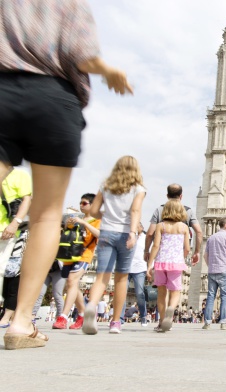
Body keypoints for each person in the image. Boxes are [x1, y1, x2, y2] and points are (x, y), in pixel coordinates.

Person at [0, 0, 132, 350]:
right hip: (52, 99)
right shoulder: (69, 3)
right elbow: (82, 55)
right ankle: (21, 322)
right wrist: (107, 70)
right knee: (46, 216)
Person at [83, 156, 145, 335]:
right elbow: (135, 211)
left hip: (106, 233)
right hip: (126, 234)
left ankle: (92, 306)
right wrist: (133, 233)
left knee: (102, 276)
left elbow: (93, 211)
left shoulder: (105, 186)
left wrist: (109, 218)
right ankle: (116, 322)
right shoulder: (139, 189)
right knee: (121, 278)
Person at [52, 193, 101, 330]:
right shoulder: (75, 219)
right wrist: (68, 226)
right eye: (80, 203)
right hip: (69, 255)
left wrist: (84, 223)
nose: (81, 205)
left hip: (84, 255)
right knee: (71, 285)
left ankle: (63, 317)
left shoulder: (98, 220)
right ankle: (82, 314)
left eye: (84, 203)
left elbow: (100, 235)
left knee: (72, 282)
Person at [146, 200, 190, 332]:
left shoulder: (160, 226)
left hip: (161, 262)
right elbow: (187, 248)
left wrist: (150, 265)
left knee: (161, 293)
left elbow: (156, 245)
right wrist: (181, 257)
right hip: (176, 263)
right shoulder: (184, 228)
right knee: (175, 291)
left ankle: (161, 322)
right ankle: (171, 310)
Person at [0, 168, 32, 328]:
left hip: (11, 231)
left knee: (10, 275)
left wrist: (15, 223)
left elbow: (27, 200)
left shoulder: (19, 175)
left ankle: (8, 315)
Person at [144, 184, 203, 265]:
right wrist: (197, 252)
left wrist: (146, 251)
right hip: (179, 256)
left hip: (161, 255)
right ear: (181, 196)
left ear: (167, 196)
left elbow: (150, 234)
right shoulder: (188, 211)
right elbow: (199, 232)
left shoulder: (159, 210)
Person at [203, 218, 226, 330]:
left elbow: (205, 256)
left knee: (210, 296)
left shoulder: (211, 238)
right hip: (225, 270)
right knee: (224, 297)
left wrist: (210, 266)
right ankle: (223, 322)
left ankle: (207, 322)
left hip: (212, 271)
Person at [121, 222, 148, 326]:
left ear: (141, 227)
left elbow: (150, 253)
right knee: (122, 293)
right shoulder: (127, 236)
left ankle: (144, 316)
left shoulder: (146, 238)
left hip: (140, 268)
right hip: (126, 268)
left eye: (136, 226)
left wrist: (150, 268)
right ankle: (120, 318)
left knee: (140, 293)